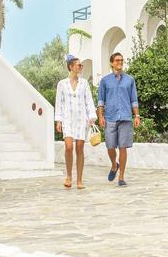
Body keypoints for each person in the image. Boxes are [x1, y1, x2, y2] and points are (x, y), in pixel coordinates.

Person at [97, 52, 140, 187]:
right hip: (110, 117)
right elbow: (101, 101)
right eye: (117, 60)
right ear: (112, 63)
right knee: (110, 146)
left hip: (126, 117)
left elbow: (134, 100)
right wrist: (101, 116)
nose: (120, 62)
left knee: (123, 147)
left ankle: (121, 177)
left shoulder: (130, 80)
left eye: (121, 60)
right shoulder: (105, 81)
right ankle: (114, 165)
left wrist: (137, 116)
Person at [55, 55, 96, 189]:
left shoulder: (84, 83)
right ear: (71, 67)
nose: (81, 67)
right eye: (79, 65)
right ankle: (68, 176)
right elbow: (59, 103)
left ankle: (79, 179)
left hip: (81, 119)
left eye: (81, 65)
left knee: (79, 148)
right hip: (67, 119)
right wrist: (58, 120)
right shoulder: (62, 84)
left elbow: (88, 100)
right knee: (68, 147)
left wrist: (92, 117)